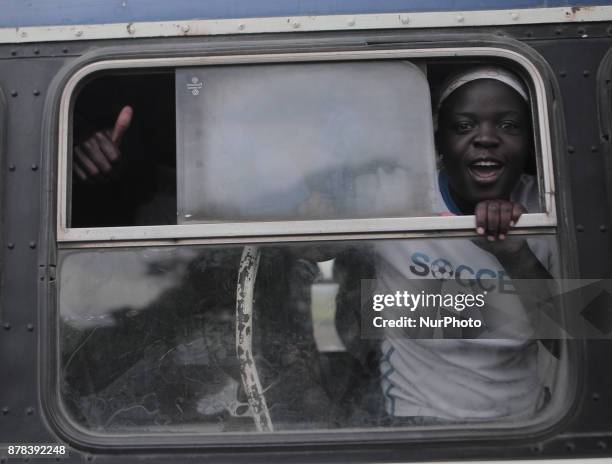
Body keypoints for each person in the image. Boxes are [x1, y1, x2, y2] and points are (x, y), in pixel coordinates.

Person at [373, 66, 557, 423]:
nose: (485, 138)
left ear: (531, 142)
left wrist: (514, 256)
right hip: (416, 418)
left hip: (530, 422)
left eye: (508, 126)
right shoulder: (393, 194)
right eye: (463, 126)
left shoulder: (550, 204)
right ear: (438, 142)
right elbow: (313, 250)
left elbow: (572, 344)